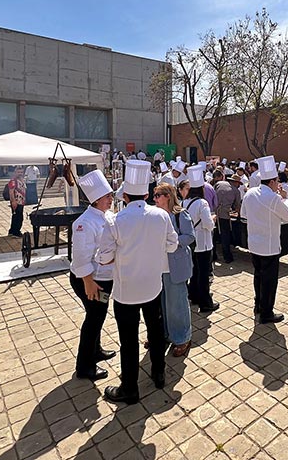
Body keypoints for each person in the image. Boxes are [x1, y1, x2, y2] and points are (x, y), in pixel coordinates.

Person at [103, 160, 178, 405]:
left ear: (124, 196)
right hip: (152, 286)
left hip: (126, 292)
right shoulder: (161, 216)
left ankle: (130, 388)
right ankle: (159, 374)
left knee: (128, 340)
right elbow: (172, 244)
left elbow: (104, 258)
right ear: (147, 194)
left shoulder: (115, 220)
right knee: (155, 332)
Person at [69, 170, 117, 382]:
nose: (110, 200)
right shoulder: (84, 223)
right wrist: (88, 281)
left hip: (102, 278)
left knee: (99, 316)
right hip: (89, 280)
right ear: (96, 199)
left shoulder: (105, 215)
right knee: (93, 319)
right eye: (107, 197)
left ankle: (95, 351)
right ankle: (84, 366)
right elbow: (79, 257)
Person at [240, 155, 288, 324]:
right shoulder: (273, 197)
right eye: (277, 180)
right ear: (272, 182)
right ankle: (266, 312)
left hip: (254, 244)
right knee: (270, 281)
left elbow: (243, 215)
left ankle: (258, 305)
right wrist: (285, 198)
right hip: (269, 245)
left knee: (258, 276)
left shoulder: (249, 193)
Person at [153, 182, 194, 357]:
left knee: (177, 303)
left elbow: (190, 236)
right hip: (159, 266)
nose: (154, 199)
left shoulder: (180, 214)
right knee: (163, 304)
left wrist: (173, 241)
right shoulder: (156, 215)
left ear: (167, 196)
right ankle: (166, 334)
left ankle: (183, 338)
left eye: (157, 195)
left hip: (175, 265)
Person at [181, 165, 218, 312]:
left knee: (194, 271)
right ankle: (205, 303)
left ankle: (194, 295)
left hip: (191, 242)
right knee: (203, 273)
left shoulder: (184, 202)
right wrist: (213, 219)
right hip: (203, 242)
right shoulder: (202, 203)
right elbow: (208, 224)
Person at [213, 169, 240, 263]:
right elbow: (238, 207)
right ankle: (227, 256)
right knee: (225, 235)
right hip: (224, 214)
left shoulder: (220, 184)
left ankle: (213, 255)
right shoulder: (236, 191)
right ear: (236, 183)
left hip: (214, 213)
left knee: (214, 234)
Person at [7, 167, 26, 237]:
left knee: (16, 216)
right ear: (15, 172)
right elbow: (11, 192)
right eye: (18, 172)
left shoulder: (22, 180)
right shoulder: (13, 181)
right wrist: (13, 201)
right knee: (18, 217)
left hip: (21, 201)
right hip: (16, 202)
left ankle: (12, 230)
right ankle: (16, 232)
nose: (20, 174)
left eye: (21, 172)